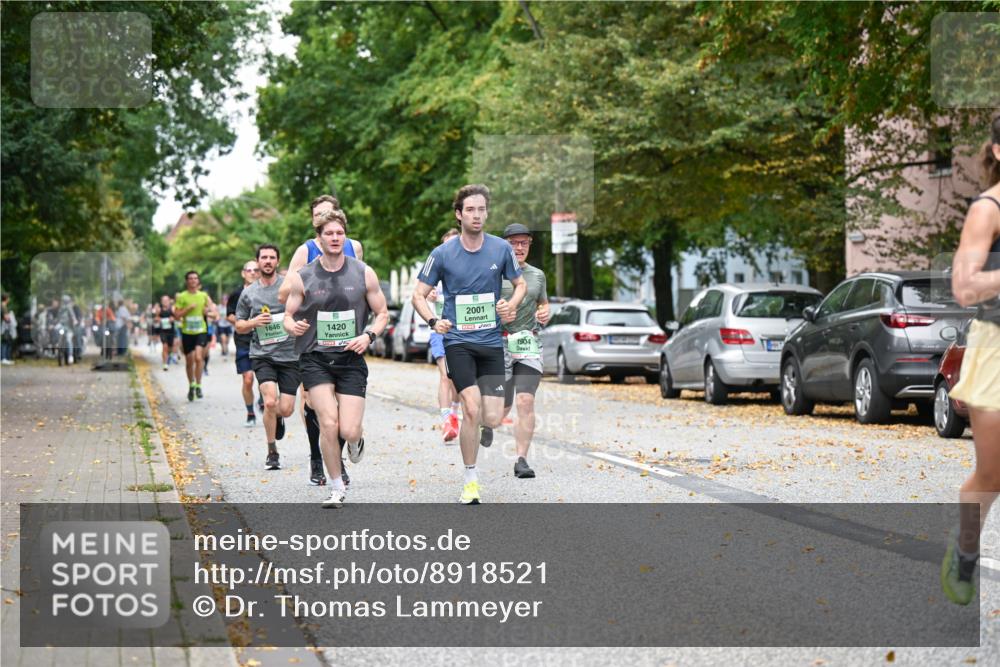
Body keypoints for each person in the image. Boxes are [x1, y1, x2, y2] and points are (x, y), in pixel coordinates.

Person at [412, 184, 526, 504]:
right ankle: (471, 479)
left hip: (490, 342)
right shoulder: (442, 254)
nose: (477, 215)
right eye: (471, 210)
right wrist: (433, 321)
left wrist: (510, 305)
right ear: (459, 215)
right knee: (471, 408)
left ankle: (483, 426)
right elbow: (418, 295)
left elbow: (520, 284)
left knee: (492, 417)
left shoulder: (500, 249)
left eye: (482, 209)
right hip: (458, 342)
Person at [284, 208, 389, 508]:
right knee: (328, 424)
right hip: (315, 359)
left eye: (339, 233)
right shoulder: (303, 276)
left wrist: (368, 336)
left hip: (351, 359)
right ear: (318, 238)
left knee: (348, 430)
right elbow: (288, 316)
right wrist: (292, 326)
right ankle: (336, 487)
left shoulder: (363, 272)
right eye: (329, 233)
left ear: (345, 236)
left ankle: (356, 441)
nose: (335, 237)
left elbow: (382, 313)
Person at [942, 114, 1000, 606]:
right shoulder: (987, 209)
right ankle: (964, 552)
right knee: (993, 474)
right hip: (995, 346)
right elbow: (964, 287)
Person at [279, 195, 359, 485]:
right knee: (313, 402)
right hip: (313, 339)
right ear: (314, 222)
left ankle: (339, 455)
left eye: (330, 213)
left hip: (345, 337)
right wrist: (312, 277)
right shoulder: (305, 251)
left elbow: (359, 284)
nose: (325, 218)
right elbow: (284, 293)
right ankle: (317, 457)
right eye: (319, 215)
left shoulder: (353, 246)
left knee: (341, 407)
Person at [484, 222, 551, 479]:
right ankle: (486, 423)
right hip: (498, 343)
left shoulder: (538, 275)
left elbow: (542, 304)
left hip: (527, 342)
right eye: (513, 243)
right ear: (504, 246)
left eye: (524, 242)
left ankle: (521, 460)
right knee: (499, 409)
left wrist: (545, 312)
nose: (519, 247)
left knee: (525, 400)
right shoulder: (492, 272)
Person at [236, 244, 301, 471]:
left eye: (272, 257)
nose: (267, 261)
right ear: (258, 261)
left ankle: (278, 417)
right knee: (270, 401)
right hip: (262, 355)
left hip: (290, 355)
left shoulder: (289, 286)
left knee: (286, 409)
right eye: (263, 257)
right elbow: (239, 325)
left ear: (278, 262)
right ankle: (272, 451)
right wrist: (253, 322)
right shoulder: (249, 293)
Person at [428, 228, 461, 442]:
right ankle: (446, 420)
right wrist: (429, 295)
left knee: (458, 378)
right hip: (440, 331)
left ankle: (454, 413)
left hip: (463, 332)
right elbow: (420, 293)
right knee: (445, 375)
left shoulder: (469, 270)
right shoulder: (436, 271)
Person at [173, 271, 218, 401]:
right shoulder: (182, 296)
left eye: (195, 278)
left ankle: (198, 385)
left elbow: (215, 315)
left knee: (198, 358)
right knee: (189, 361)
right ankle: (191, 385)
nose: (193, 280)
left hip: (201, 331)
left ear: (198, 281)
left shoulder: (203, 296)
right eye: (190, 278)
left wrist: (207, 312)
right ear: (187, 281)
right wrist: (188, 309)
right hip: (187, 333)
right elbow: (176, 316)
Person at [228, 260, 262, 426]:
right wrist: (247, 323)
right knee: (248, 379)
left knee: (265, 377)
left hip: (264, 339)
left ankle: (264, 399)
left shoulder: (266, 291)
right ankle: (250, 413)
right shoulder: (236, 294)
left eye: (256, 270)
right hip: (243, 340)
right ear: (243, 273)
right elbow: (229, 315)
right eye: (249, 270)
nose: (253, 273)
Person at [154, 295, 176, 371]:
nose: (165, 302)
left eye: (166, 300)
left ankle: (169, 355)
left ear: (169, 301)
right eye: (163, 301)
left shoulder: (172, 309)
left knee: (170, 348)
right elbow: (156, 318)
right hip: (163, 331)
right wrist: (158, 319)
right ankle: (165, 364)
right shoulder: (159, 309)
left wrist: (173, 319)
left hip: (171, 331)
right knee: (164, 346)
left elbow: (177, 317)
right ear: (161, 302)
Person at [1, 293, 17, 365]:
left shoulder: (3, 306)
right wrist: (11, 318)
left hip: (4, 327)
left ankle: (5, 358)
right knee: (5, 342)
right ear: (6, 298)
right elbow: (6, 318)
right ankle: (3, 358)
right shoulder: (3, 306)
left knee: (6, 342)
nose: (9, 299)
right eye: (8, 298)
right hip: (5, 327)